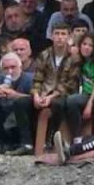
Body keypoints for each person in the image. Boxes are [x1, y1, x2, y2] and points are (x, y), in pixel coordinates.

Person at [16, 24, 80, 155]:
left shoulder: (74, 58)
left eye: (63, 34)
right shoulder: (44, 55)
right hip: (44, 92)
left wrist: (50, 97)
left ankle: (50, 141)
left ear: (69, 37)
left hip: (63, 94)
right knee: (20, 103)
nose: (60, 38)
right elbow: (38, 79)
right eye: (57, 34)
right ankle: (26, 143)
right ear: (51, 36)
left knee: (58, 104)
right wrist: (36, 95)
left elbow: (70, 84)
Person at [65, 33, 94, 138]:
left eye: (90, 45)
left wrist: (89, 106)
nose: (86, 47)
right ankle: (77, 138)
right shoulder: (82, 61)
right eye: (84, 44)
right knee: (72, 100)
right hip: (87, 94)